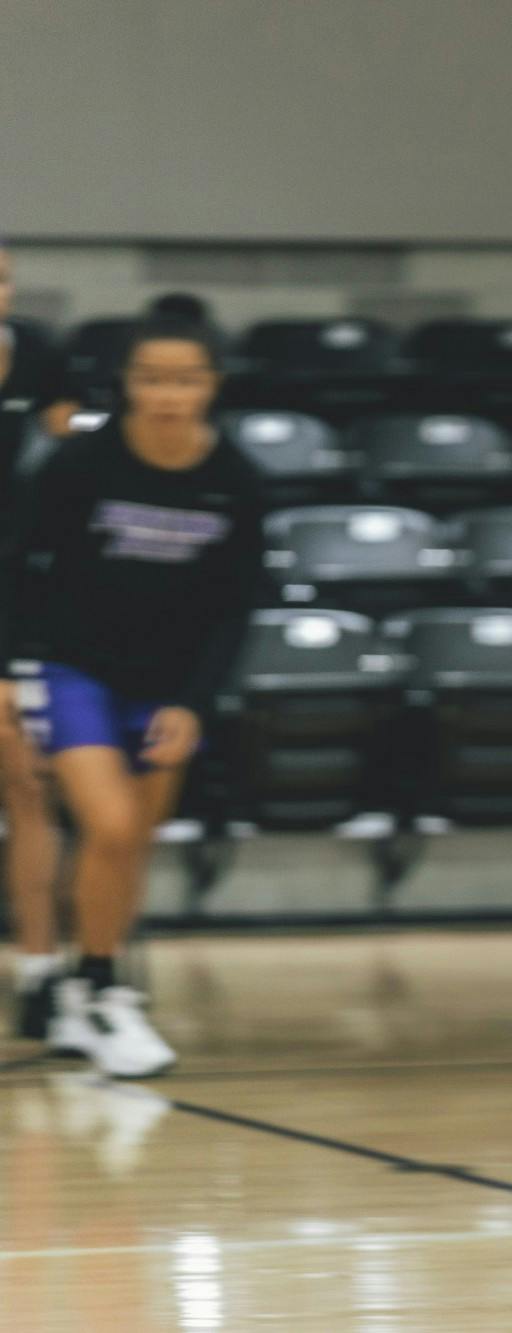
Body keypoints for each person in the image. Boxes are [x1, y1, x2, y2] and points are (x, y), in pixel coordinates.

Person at [0, 318, 265, 1077]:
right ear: (128, 383)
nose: (168, 395)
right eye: (152, 378)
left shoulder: (236, 478)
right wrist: (8, 670)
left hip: (170, 685)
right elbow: (18, 565)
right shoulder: (81, 463)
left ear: (211, 384)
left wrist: (197, 702)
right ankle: (106, 993)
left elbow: (237, 603)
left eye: (185, 379)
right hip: (73, 666)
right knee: (109, 823)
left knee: (128, 844)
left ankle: (93, 987)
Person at [0, 241, 67, 1039]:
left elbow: (71, 460)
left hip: (22, 596)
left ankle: (42, 972)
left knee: (27, 783)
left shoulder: (40, 355)